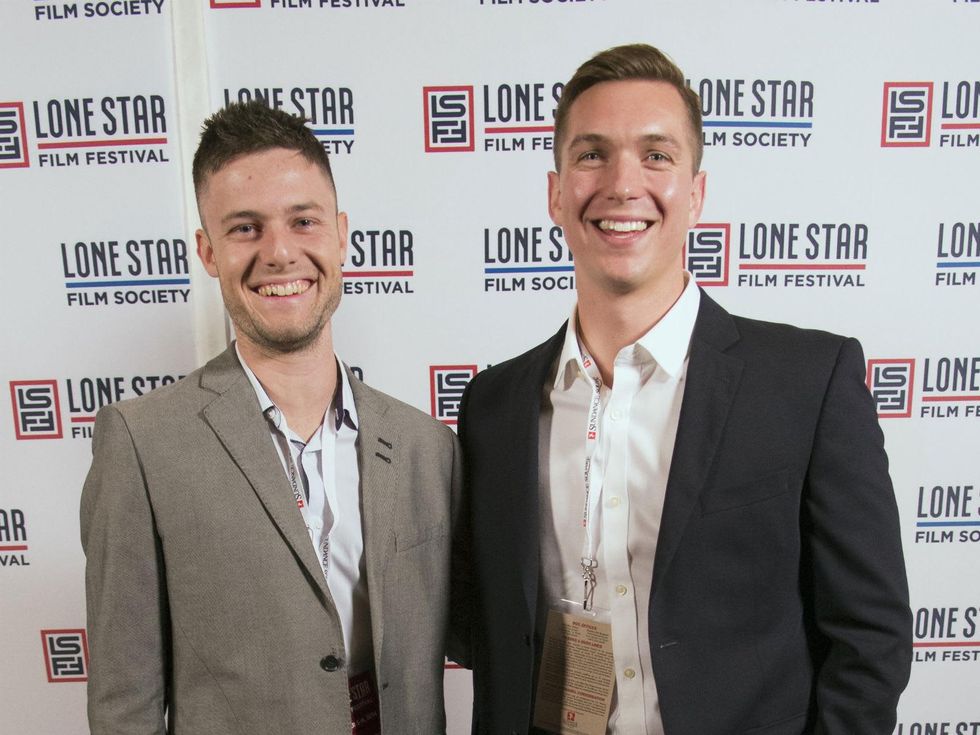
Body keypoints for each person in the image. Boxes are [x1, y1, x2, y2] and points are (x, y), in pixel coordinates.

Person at [455, 44, 911, 735]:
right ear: (555, 193)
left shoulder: (809, 382)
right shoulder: (494, 406)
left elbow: (871, 638)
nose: (621, 183)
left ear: (695, 195)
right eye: (591, 154)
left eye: (656, 155)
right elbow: (484, 635)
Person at [80, 101, 461, 734]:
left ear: (341, 233)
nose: (280, 253)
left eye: (303, 221)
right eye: (245, 228)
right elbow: (124, 704)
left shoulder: (427, 446)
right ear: (207, 251)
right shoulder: (143, 445)